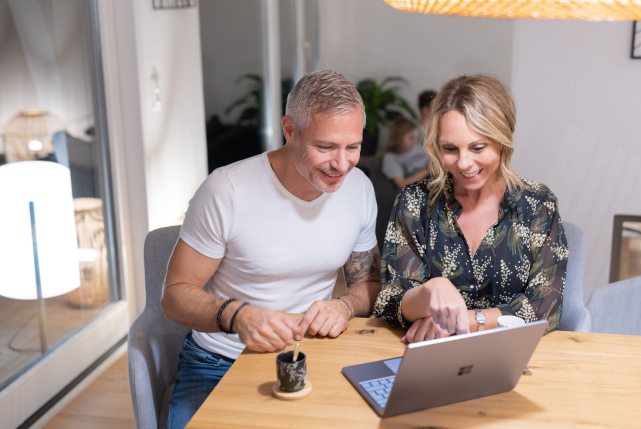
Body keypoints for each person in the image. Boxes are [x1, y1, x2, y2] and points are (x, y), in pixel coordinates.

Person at [161, 70, 382, 429]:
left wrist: (344, 306)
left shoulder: (359, 189)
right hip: (220, 360)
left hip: (309, 355)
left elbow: (369, 284)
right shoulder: (226, 190)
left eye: (352, 147)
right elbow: (174, 295)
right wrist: (239, 316)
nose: (342, 164)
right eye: (325, 147)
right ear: (290, 130)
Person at [373, 75, 568, 343]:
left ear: (502, 140)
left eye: (478, 147)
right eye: (450, 148)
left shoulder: (538, 205)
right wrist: (431, 291)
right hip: (430, 354)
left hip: (512, 355)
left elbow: (545, 306)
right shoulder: (414, 202)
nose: (464, 163)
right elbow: (392, 299)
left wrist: (464, 321)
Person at [381, 116, 430, 188]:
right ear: (399, 137)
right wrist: (427, 170)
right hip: (423, 185)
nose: (415, 142)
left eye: (416, 137)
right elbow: (401, 184)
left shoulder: (417, 147)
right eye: (411, 138)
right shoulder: (391, 158)